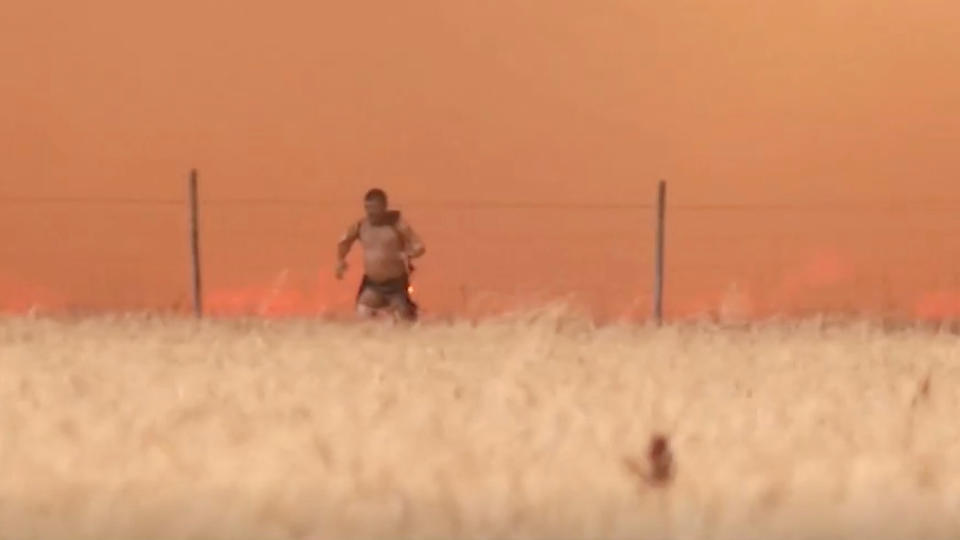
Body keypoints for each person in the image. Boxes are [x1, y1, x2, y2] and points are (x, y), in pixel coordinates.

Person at [335, 188, 425, 321]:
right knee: (362, 314)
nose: (370, 212)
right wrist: (340, 261)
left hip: (396, 284)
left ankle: (408, 314)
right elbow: (343, 242)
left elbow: (419, 246)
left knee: (403, 321)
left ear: (384, 207)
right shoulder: (361, 226)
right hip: (373, 283)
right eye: (367, 208)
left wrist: (407, 254)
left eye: (374, 208)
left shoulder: (397, 224)